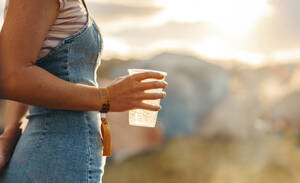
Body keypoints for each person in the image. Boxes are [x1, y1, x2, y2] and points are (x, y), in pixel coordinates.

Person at [0, 0, 168, 182]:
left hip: (61, 155)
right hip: (56, 156)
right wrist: (106, 97)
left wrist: (10, 134)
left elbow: (30, 67)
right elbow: (11, 77)